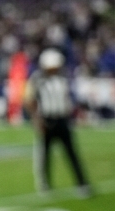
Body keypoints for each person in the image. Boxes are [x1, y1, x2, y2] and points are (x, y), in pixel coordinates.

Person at [26, 48, 92, 197]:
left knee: (71, 153)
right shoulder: (38, 79)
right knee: (44, 155)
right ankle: (44, 184)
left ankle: (82, 183)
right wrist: (37, 120)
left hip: (62, 119)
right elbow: (30, 101)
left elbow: (68, 99)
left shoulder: (63, 78)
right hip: (47, 120)